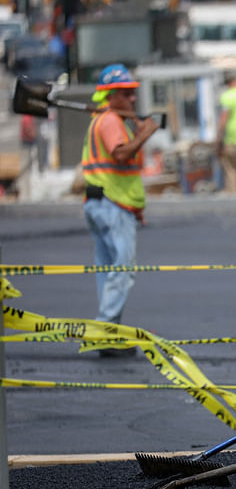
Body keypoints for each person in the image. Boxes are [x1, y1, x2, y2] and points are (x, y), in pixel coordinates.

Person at [81, 63, 159, 357]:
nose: (131, 99)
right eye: (125, 94)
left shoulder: (100, 119)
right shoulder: (111, 120)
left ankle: (109, 332)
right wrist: (146, 133)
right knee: (122, 270)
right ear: (110, 95)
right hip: (112, 205)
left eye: (132, 94)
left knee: (109, 271)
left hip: (101, 203)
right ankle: (104, 331)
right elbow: (122, 155)